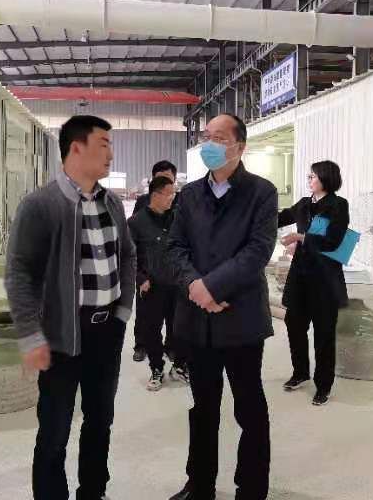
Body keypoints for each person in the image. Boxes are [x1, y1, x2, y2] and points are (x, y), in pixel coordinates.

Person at [5, 115, 136, 500]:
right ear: (76, 148)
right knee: (55, 429)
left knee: (100, 421)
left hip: (107, 331)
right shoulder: (40, 205)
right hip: (61, 333)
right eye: (103, 144)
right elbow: (19, 273)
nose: (110, 153)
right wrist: (30, 334)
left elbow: (128, 255)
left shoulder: (112, 202)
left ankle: (93, 491)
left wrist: (123, 311)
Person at [167, 113, 277, 500]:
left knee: (249, 408)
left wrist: (211, 287)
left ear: (239, 147)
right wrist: (195, 286)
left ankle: (252, 487)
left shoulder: (261, 193)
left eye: (218, 137)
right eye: (206, 136)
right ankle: (200, 485)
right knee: (203, 407)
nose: (209, 144)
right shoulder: (189, 195)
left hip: (241, 318)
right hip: (198, 322)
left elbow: (258, 251)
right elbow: (175, 247)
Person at [278, 160, 349, 406]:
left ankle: (323, 385)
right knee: (294, 325)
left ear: (326, 178)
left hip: (325, 279)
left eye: (313, 176)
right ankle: (300, 372)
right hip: (300, 277)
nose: (309, 180)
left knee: (323, 334)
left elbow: (333, 240)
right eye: (308, 176)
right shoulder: (304, 204)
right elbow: (280, 217)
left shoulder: (338, 205)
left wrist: (301, 237)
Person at [128, 176, 190, 391]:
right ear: (155, 195)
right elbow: (128, 256)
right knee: (151, 331)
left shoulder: (177, 219)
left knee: (182, 327)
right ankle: (156, 368)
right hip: (152, 286)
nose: (173, 197)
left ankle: (179, 366)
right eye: (169, 194)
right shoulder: (136, 223)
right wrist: (141, 278)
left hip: (178, 284)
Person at [132, 160, 179, 362]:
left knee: (173, 314)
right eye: (160, 179)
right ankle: (141, 345)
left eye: (168, 179)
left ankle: (171, 347)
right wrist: (140, 275)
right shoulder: (142, 204)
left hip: (171, 272)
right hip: (147, 269)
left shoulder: (178, 206)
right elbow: (133, 240)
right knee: (145, 314)